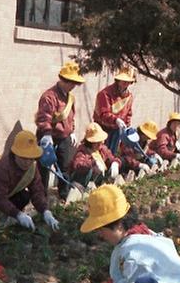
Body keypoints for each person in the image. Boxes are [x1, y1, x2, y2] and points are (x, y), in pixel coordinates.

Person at [0, 130, 60, 231]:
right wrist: (17, 214)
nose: (27, 162)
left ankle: (9, 219)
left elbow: (37, 190)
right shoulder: (2, 168)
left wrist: (45, 211)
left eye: (31, 158)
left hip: (11, 194)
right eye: (24, 158)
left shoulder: (32, 168)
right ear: (15, 154)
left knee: (24, 196)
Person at [35, 61, 85, 200]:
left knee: (65, 166)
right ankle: (41, 198)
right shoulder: (49, 96)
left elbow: (71, 117)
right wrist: (46, 134)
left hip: (64, 137)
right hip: (48, 136)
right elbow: (43, 118)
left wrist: (72, 131)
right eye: (72, 83)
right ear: (64, 81)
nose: (74, 86)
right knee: (44, 168)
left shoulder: (70, 98)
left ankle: (64, 195)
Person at [93, 67, 136, 153]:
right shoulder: (105, 94)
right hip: (102, 129)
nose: (126, 83)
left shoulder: (129, 96)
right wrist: (116, 120)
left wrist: (127, 127)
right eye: (123, 80)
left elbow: (128, 114)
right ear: (118, 80)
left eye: (128, 81)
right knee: (100, 154)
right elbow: (103, 113)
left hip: (117, 131)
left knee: (111, 154)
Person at [69, 123, 121, 188]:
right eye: (97, 142)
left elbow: (112, 158)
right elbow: (78, 165)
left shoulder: (102, 149)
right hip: (82, 183)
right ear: (90, 142)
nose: (100, 144)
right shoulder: (82, 151)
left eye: (100, 141)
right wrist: (93, 163)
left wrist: (115, 163)